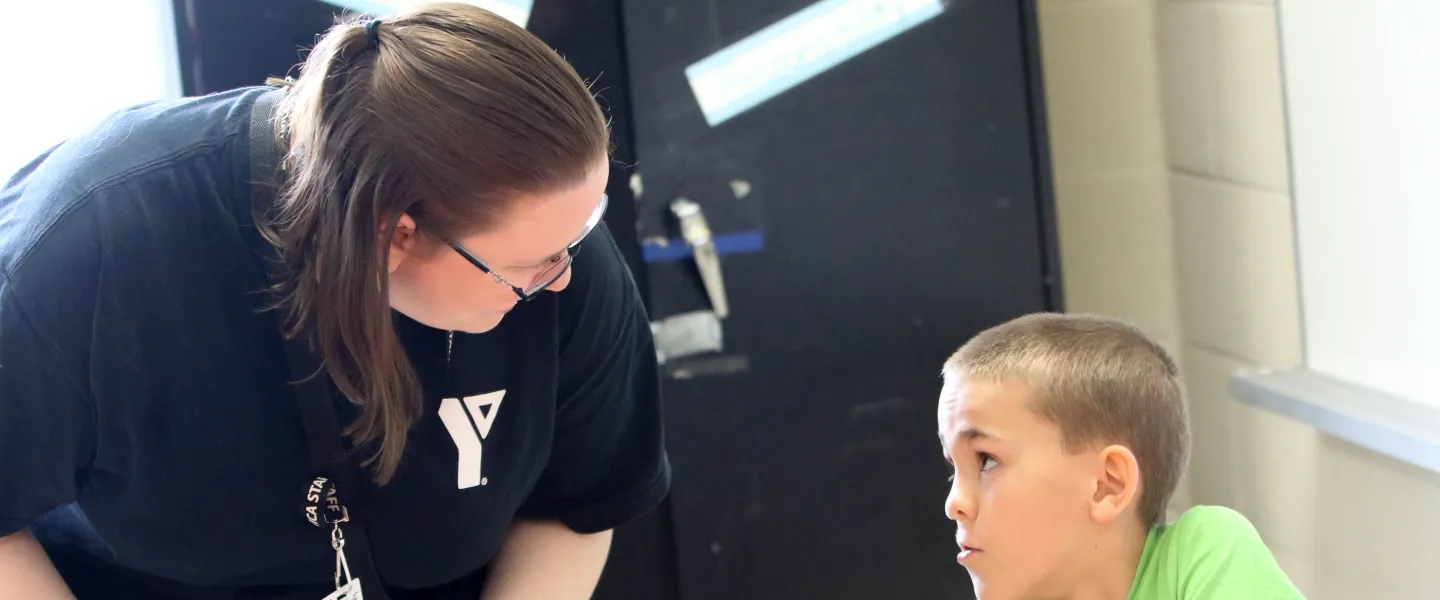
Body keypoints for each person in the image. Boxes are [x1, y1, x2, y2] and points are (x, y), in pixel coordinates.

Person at [0, 4, 668, 599]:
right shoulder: (93, 247)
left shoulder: (550, 240)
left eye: (583, 233)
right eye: (525, 269)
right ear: (393, 236)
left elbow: (580, 503)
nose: (562, 278)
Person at [937, 313, 1305, 600]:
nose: (954, 504)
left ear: (1107, 484)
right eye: (954, 468)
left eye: (986, 460)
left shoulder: (1201, 551)